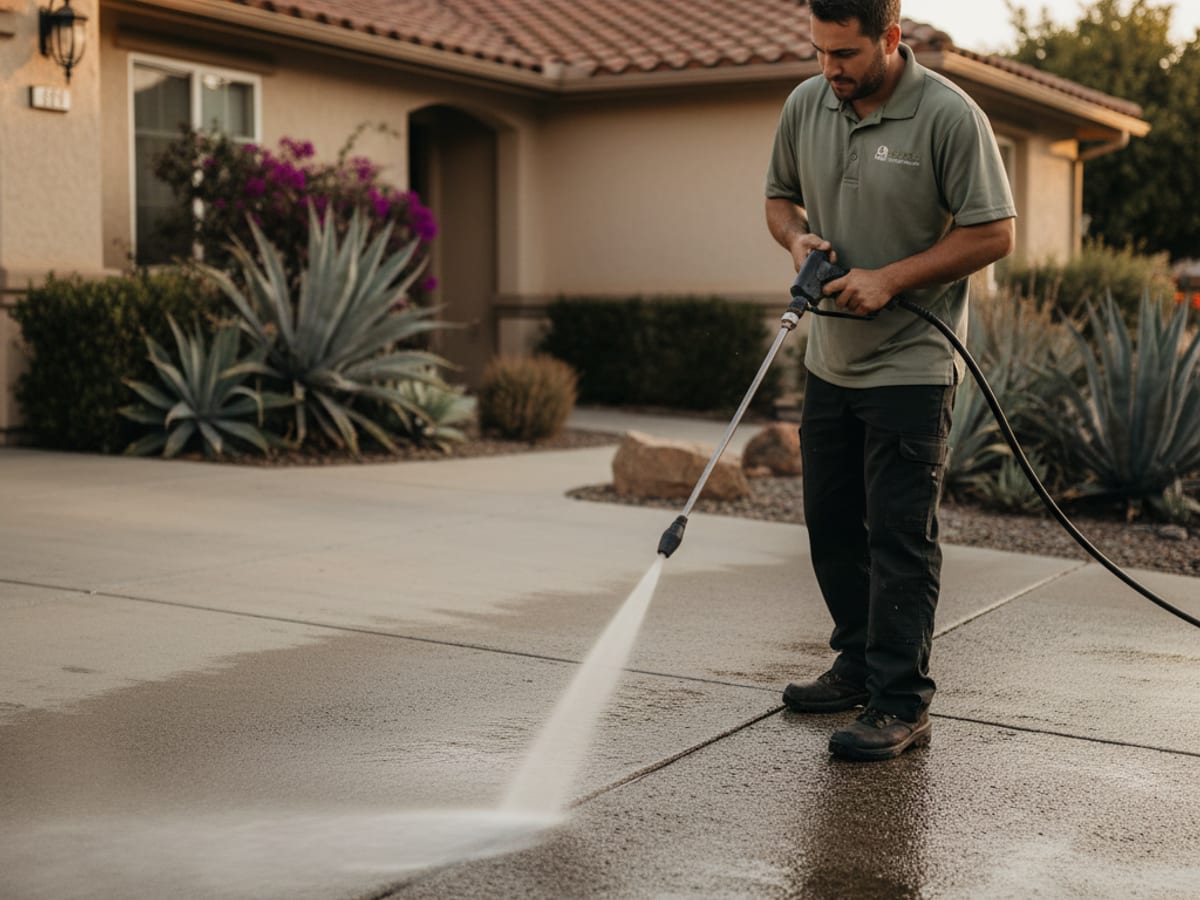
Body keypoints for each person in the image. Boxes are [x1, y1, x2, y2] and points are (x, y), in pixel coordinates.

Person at [764, 0, 1016, 761]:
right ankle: (856, 665)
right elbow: (778, 199)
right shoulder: (807, 103)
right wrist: (794, 237)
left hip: (911, 362)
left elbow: (994, 231)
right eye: (818, 51)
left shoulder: (947, 116)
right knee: (831, 524)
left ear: (890, 39)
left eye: (844, 54)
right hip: (829, 361)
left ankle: (901, 701)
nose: (829, 69)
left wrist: (891, 279)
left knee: (899, 536)